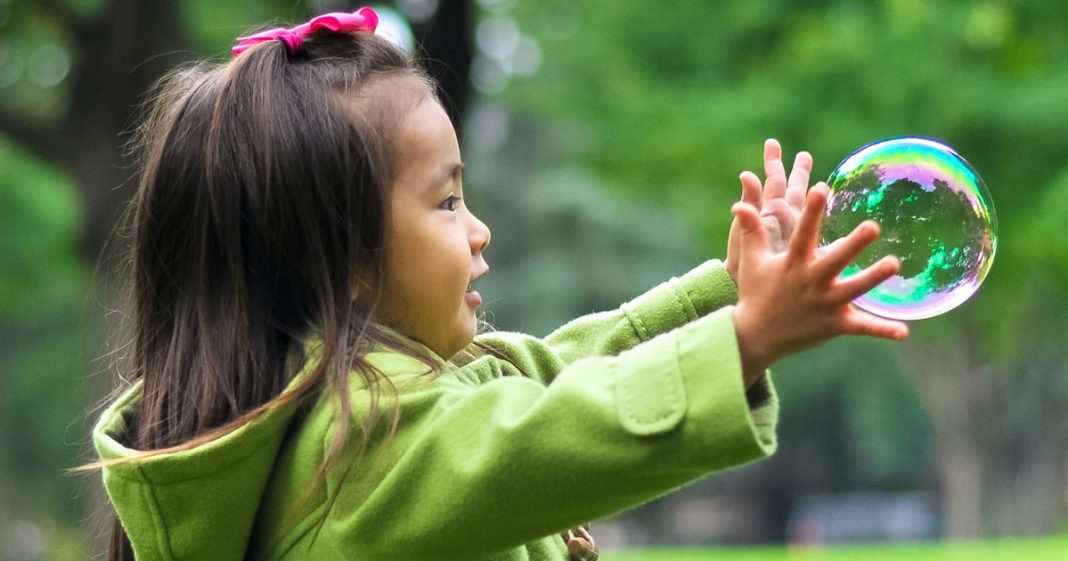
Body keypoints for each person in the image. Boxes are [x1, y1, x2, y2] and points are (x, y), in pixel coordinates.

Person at [88, 7, 908, 561]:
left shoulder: (364, 404)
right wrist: (748, 339)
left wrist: (731, 293)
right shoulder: (356, 453)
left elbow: (553, 369)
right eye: (446, 202)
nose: (479, 229)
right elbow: (543, 434)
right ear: (344, 260)